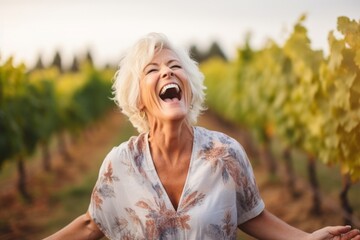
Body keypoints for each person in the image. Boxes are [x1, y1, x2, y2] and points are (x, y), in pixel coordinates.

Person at [45, 32, 360, 240]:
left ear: (189, 86)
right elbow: (91, 223)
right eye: (152, 70)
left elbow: (253, 215)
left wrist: (306, 238)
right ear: (138, 97)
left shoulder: (225, 153)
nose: (167, 72)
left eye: (174, 66)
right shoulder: (120, 165)